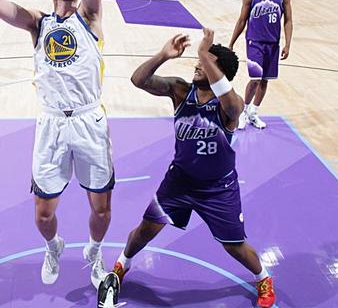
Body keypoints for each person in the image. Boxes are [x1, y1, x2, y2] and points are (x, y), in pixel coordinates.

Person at [97, 28, 276, 308]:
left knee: (234, 245)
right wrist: (163, 55)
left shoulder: (230, 105)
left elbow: (234, 107)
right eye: (199, 60)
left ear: (220, 71)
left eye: (205, 62)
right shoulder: (181, 91)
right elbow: (138, 80)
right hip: (179, 182)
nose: (197, 64)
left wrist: (204, 52)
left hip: (218, 188)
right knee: (146, 229)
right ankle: (121, 265)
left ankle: (263, 278)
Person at [0, 0, 112, 289]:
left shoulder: (90, 18)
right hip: (52, 123)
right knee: (42, 214)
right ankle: (53, 245)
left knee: (101, 209)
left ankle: (94, 251)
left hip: (89, 120)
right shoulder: (38, 23)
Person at [229, 0, 293, 129]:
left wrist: (288, 44)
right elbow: (241, 20)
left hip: (273, 43)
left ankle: (253, 112)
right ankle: (243, 111)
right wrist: (231, 43)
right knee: (255, 79)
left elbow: (288, 21)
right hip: (254, 42)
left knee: (265, 80)